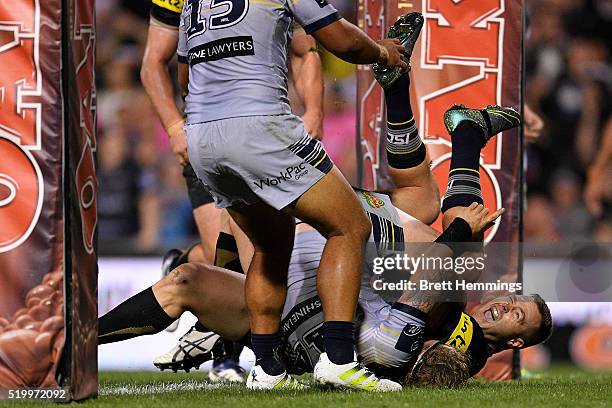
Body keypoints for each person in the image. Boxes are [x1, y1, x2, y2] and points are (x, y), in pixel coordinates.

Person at [99, 14, 551, 387]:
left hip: (212, 145)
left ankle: (83, 341)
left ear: (513, 342)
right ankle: (451, 126)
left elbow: (175, 69)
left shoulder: (454, 338)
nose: (508, 305)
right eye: (517, 303)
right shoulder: (456, 321)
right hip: (296, 218)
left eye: (517, 315)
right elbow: (324, 42)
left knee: (191, 275)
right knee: (422, 227)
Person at [176, 1, 407, 391]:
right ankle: (338, 359)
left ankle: (267, 368)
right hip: (259, 126)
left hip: (201, 136)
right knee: (349, 225)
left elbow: (185, 74)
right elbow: (340, 40)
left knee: (269, 245)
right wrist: (383, 52)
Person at [140, 0, 326, 382]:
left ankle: (237, 348)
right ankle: (243, 357)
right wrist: (176, 128)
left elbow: (305, 49)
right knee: (238, 256)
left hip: (265, 132)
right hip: (206, 134)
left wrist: (314, 112)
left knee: (244, 254)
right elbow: (154, 63)